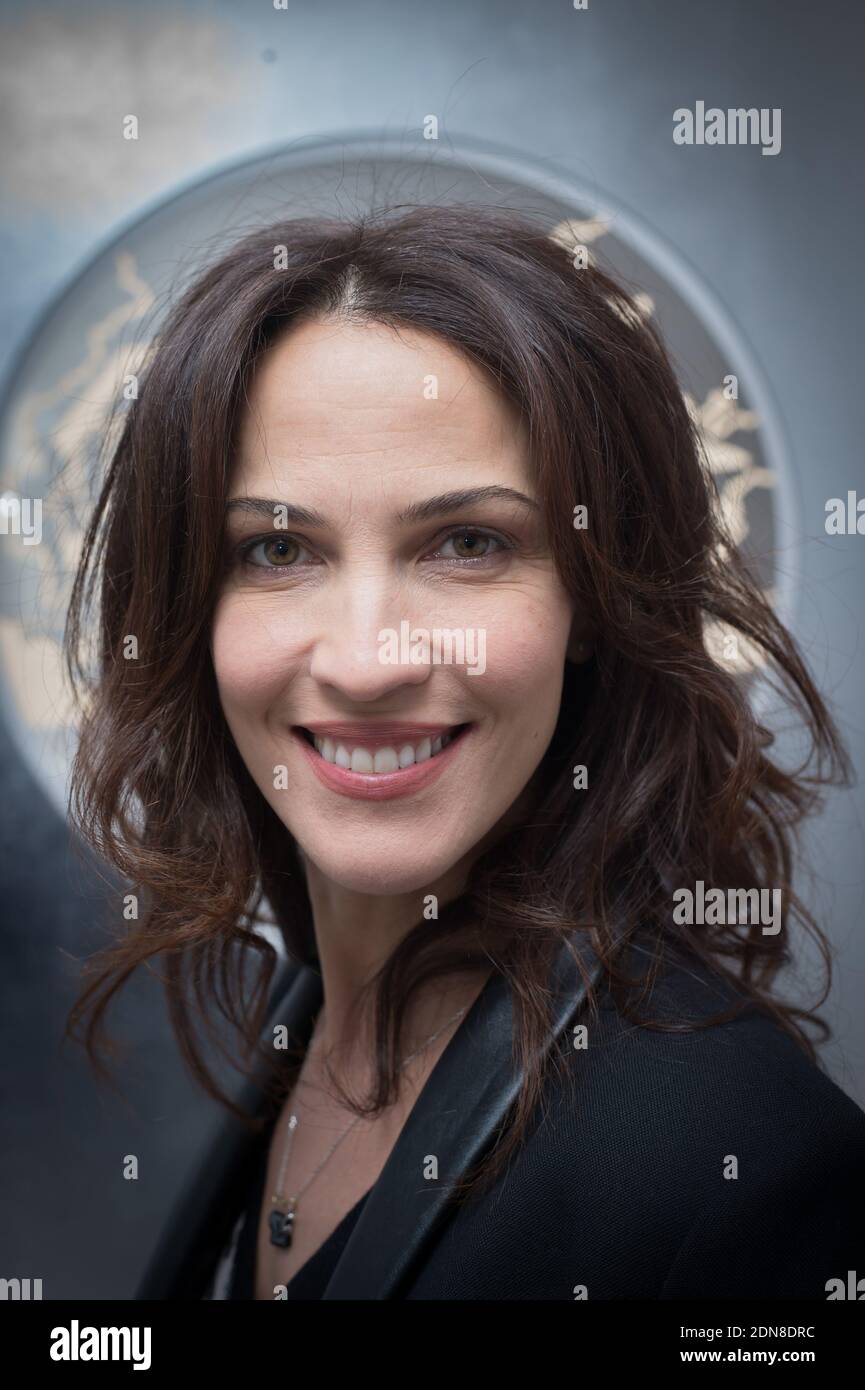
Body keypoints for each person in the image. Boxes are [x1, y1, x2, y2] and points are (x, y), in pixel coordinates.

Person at [64, 205, 865, 1300]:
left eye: (469, 542)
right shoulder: (290, 1051)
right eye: (279, 547)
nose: (367, 658)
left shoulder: (752, 1173)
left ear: (594, 600)